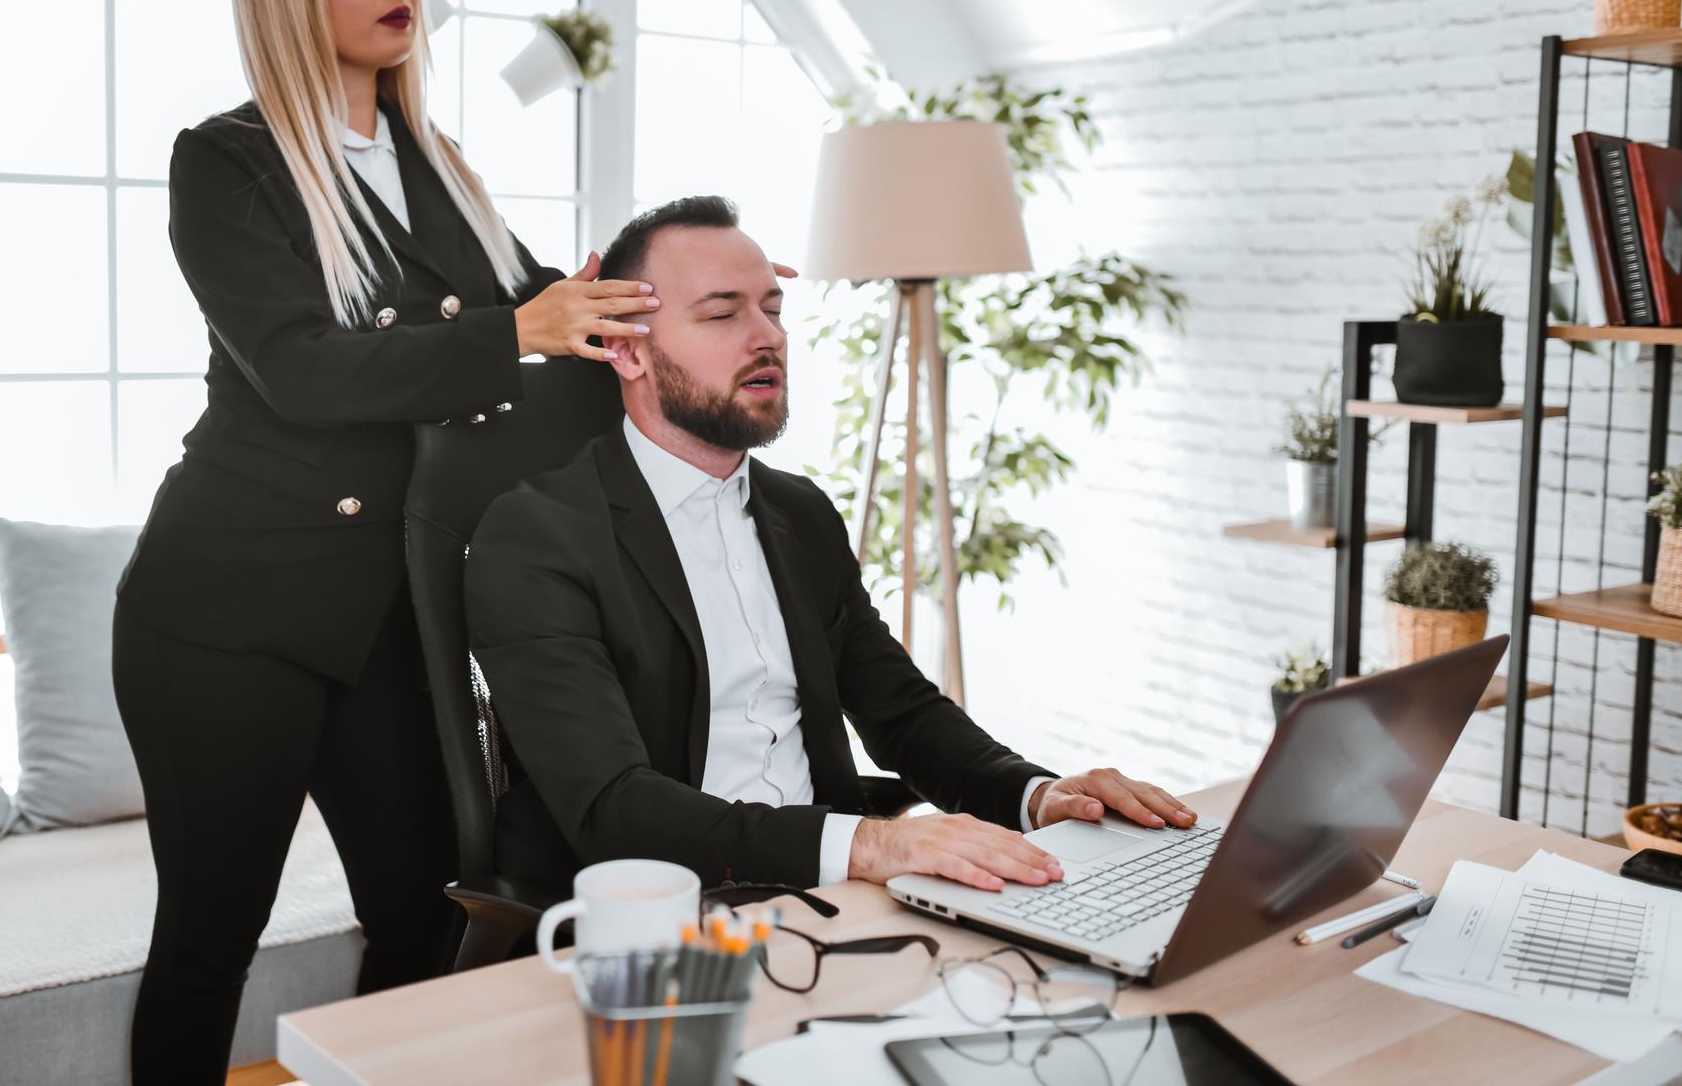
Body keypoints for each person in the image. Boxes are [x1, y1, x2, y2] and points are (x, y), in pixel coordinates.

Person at [109, 0, 656, 1086]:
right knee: (210, 941)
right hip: (224, 614)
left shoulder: (439, 159)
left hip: (386, 614)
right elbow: (304, 371)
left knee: (425, 919)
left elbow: (534, 336)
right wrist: (519, 328)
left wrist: (647, 313)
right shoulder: (227, 163)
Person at [464, 196, 1194, 898]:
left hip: (837, 897)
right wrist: (871, 845)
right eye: (723, 312)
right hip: (660, 918)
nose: (769, 337)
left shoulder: (798, 513)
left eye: (773, 310)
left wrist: (1039, 795)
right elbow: (612, 809)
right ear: (627, 352)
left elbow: (902, 714)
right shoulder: (536, 537)